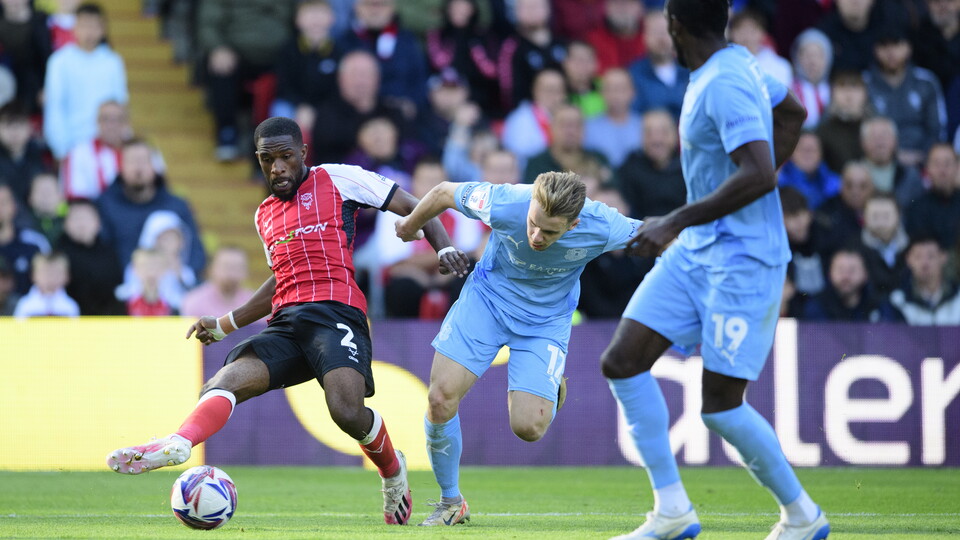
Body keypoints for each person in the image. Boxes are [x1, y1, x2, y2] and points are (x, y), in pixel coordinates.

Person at [106, 117, 471, 527]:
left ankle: (391, 470)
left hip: (336, 311)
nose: (277, 168)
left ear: (302, 153)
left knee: (346, 412)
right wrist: (225, 324)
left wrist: (444, 249)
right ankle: (179, 442)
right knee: (222, 383)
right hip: (286, 323)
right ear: (258, 160)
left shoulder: (337, 179)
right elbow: (280, 278)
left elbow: (416, 205)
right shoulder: (264, 215)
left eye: (285, 157)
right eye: (267, 160)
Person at [599, 1, 829, 539]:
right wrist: (704, 215)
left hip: (743, 261)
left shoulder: (724, 82)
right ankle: (672, 512)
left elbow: (759, 174)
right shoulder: (739, 62)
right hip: (698, 251)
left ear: (674, 26)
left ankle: (802, 516)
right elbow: (793, 112)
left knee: (721, 408)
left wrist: (674, 221)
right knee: (622, 362)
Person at [394, 171, 644, 526]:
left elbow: (660, 235)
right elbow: (444, 192)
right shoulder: (506, 200)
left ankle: (550, 385)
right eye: (533, 224)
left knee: (529, 428)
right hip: (487, 302)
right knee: (439, 398)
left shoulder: (603, 224)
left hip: (545, 322)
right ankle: (451, 501)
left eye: (550, 232)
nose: (536, 236)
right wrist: (410, 224)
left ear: (574, 225)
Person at [42, 2, 127, 160]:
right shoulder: (59, 61)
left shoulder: (113, 61)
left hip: (107, 145)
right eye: (84, 25)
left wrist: (120, 138)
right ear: (74, 27)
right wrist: (60, 148)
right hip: (71, 144)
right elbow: (54, 106)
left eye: (94, 26)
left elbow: (120, 103)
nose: (89, 32)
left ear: (103, 29)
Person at [887, 237, 960, 325]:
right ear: (908, 259)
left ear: (943, 257)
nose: (924, 263)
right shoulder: (897, 301)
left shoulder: (957, 297)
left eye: (931, 256)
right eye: (918, 257)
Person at [180, 245, 254, 318]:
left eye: (238, 267)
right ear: (211, 269)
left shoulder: (253, 303)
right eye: (227, 267)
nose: (232, 273)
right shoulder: (194, 302)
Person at [13, 251, 79, 317]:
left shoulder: (70, 306)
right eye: (45, 272)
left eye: (56, 273)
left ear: (67, 276)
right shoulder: (25, 305)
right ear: (33, 275)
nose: (50, 277)